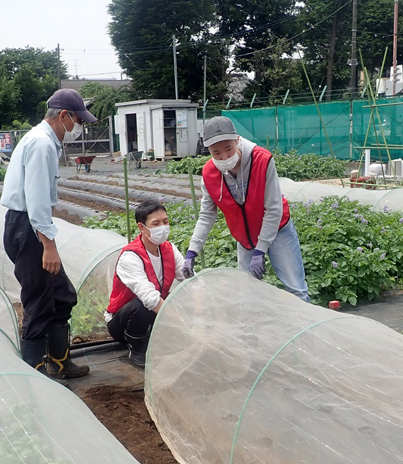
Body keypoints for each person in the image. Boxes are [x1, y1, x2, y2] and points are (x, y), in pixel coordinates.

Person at [1, 89, 95, 380]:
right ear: (64, 116)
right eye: (78, 121)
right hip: (27, 227)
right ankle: (35, 373)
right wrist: (49, 247)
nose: (79, 128)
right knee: (39, 301)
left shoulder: (44, 141)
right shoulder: (42, 144)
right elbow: (37, 200)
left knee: (62, 296)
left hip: (28, 226)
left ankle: (58, 359)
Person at [183, 116, 311, 302]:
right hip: (244, 237)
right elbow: (207, 215)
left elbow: (273, 208)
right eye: (216, 153)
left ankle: (304, 328)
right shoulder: (209, 174)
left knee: (296, 289)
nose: (224, 157)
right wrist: (192, 251)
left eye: (228, 149)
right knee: (248, 293)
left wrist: (261, 250)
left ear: (237, 140)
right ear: (208, 151)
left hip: (277, 230)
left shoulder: (262, 160)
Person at [105, 199, 186, 368]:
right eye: (156, 224)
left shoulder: (169, 249)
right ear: (142, 227)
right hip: (122, 322)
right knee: (142, 305)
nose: (163, 227)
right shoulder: (130, 257)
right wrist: (181, 323)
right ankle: (136, 347)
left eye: (165, 222)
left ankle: (155, 336)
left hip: (155, 312)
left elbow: (189, 280)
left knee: (183, 295)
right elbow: (150, 299)